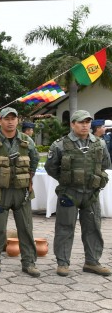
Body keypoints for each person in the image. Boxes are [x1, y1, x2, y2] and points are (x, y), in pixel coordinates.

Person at [0, 107, 40, 277]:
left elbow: (34, 162)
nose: (10, 122)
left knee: (26, 228)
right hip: (0, 193)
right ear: (0, 121)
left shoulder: (27, 141)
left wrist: (26, 178)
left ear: (18, 120)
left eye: (13, 118)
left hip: (22, 193)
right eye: (6, 118)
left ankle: (29, 262)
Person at [45, 110, 112, 277]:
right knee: (65, 227)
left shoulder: (100, 144)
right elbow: (51, 167)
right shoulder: (60, 145)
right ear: (72, 124)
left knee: (93, 227)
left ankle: (92, 262)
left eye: (87, 122)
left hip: (91, 194)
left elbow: (105, 164)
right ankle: (63, 262)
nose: (85, 125)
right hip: (69, 193)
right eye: (81, 122)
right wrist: (67, 179)